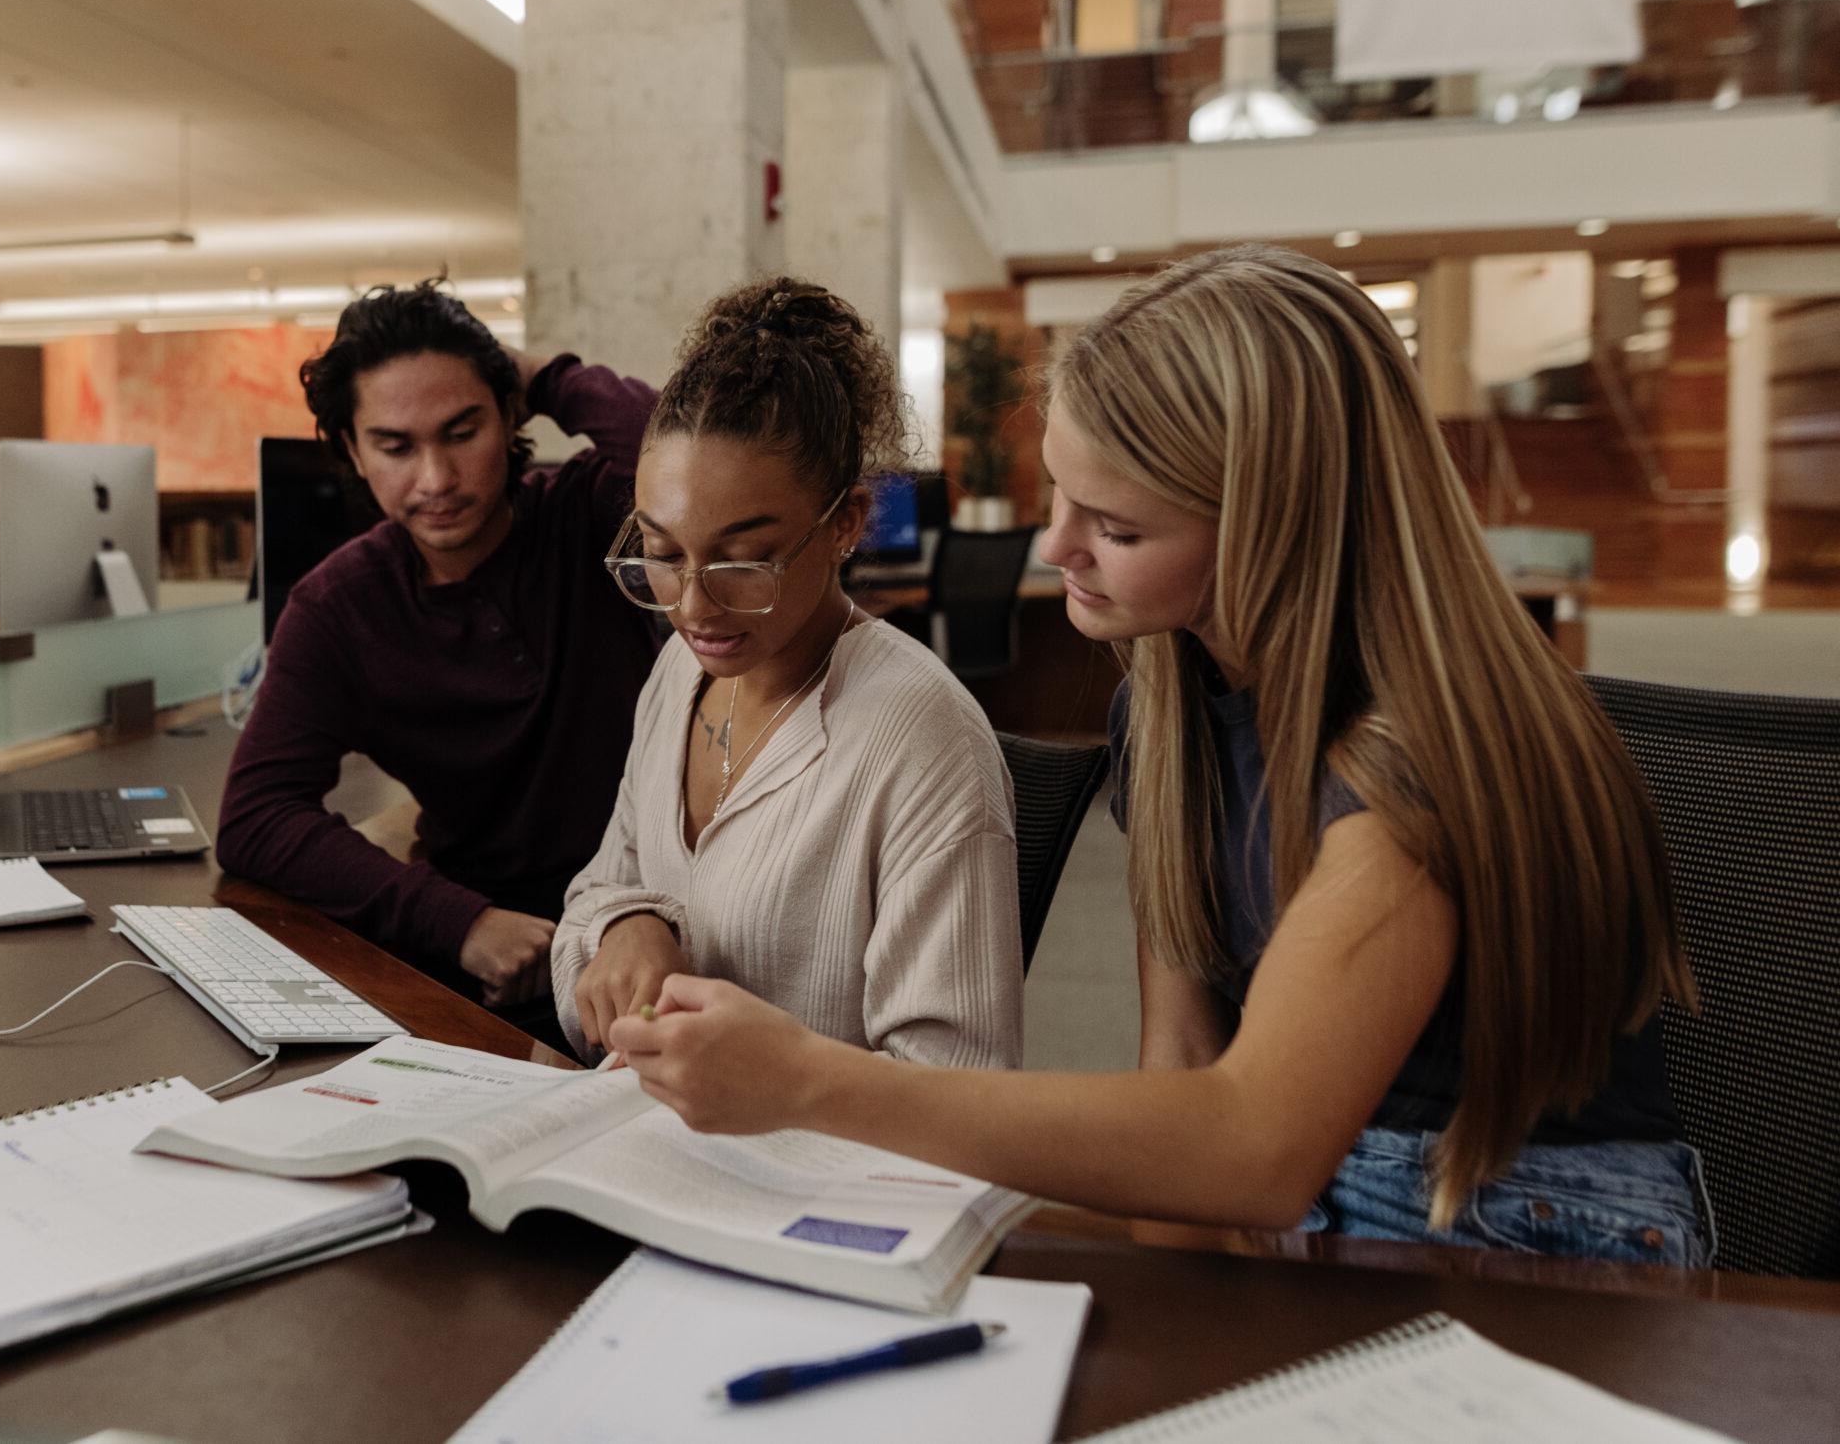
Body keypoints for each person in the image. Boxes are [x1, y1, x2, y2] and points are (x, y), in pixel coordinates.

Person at [611, 245, 1711, 1266]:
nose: (1054, 551)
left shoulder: (1417, 763)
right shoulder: (1169, 707)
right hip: (1308, 1206)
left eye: (1117, 529)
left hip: (1528, 1233)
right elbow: (1179, 1075)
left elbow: (1250, 1144)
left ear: (1275, 526)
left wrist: (806, 1081)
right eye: (1059, 497)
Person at [551, 281, 1022, 1071]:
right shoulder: (679, 673)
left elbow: (961, 1082)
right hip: (646, 1146)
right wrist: (624, 925)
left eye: (743, 559)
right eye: (663, 555)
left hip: (810, 1183)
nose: (693, 606)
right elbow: (585, 913)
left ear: (847, 523)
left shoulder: (923, 739)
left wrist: (773, 1077)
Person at [217, 281, 661, 1016]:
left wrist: (545, 375)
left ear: (508, 415)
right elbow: (256, 814)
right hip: (491, 950)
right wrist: (457, 921)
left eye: (462, 431)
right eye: (395, 445)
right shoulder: (338, 605)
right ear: (353, 451)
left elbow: (693, 452)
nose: (437, 480)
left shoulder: (588, 514)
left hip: (657, 919)